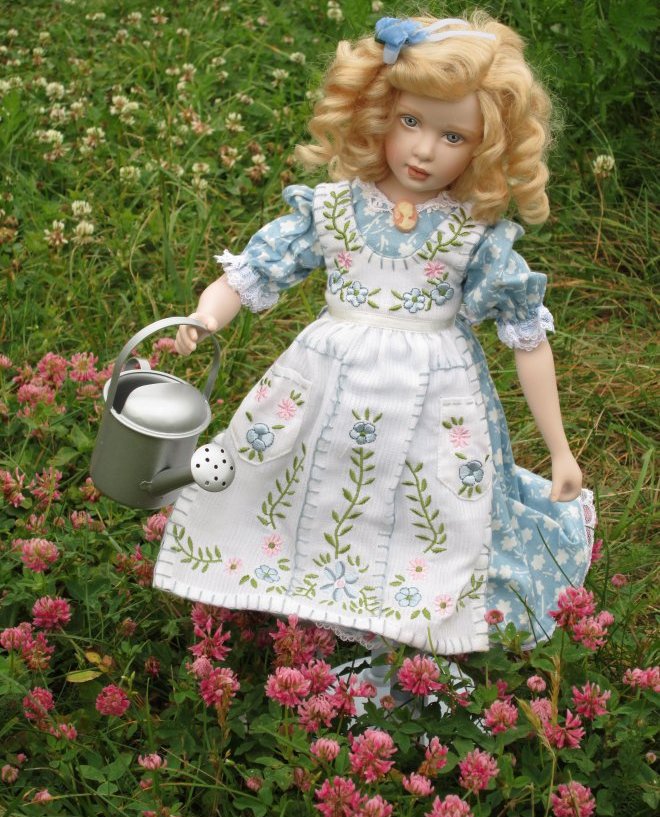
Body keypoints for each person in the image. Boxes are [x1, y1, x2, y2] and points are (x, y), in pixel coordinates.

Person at [153, 13, 595, 656]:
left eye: (453, 136)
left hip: (437, 390)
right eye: (410, 121)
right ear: (379, 112)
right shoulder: (334, 208)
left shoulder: (472, 232)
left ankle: (405, 592)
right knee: (307, 471)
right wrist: (207, 315)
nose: (424, 151)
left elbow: (527, 338)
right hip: (327, 374)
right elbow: (256, 270)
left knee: (429, 498)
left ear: (485, 148)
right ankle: (292, 568)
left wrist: (560, 448)